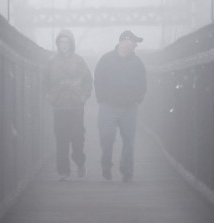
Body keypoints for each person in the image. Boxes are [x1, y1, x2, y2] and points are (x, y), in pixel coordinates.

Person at [93, 30, 147, 182]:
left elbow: (143, 83)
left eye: (134, 44)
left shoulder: (137, 63)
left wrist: (138, 98)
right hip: (108, 106)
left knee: (129, 141)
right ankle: (106, 165)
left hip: (130, 107)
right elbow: (98, 80)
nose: (134, 46)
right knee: (107, 138)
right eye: (132, 42)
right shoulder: (106, 59)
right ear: (123, 41)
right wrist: (101, 99)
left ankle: (127, 171)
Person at [42, 29, 93, 181]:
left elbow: (88, 81)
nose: (64, 45)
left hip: (76, 106)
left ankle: (80, 161)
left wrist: (83, 96)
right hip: (59, 107)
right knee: (61, 139)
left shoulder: (79, 61)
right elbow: (44, 82)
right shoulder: (51, 62)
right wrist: (48, 97)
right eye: (61, 42)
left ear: (71, 44)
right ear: (58, 43)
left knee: (78, 138)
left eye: (67, 42)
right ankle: (63, 172)